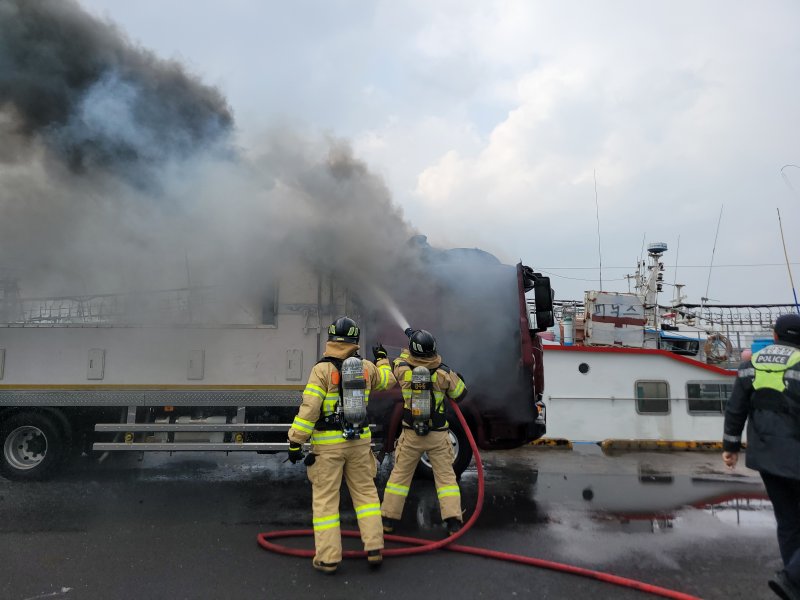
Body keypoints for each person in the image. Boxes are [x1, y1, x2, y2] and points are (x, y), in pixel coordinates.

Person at [287, 316, 397, 574]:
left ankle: (328, 558)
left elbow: (310, 409)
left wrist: (295, 441)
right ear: (355, 339)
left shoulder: (321, 370)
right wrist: (382, 359)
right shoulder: (366, 367)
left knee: (326, 500)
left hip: (328, 447)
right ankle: (374, 548)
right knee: (366, 496)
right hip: (359, 443)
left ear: (331, 337)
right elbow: (388, 380)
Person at [722, 313, 800, 599]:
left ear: (775, 336)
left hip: (766, 458)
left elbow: (736, 410)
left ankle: (794, 584)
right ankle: (791, 578)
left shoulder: (749, 365)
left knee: (788, 522)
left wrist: (730, 448)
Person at [381, 328, 467, 535]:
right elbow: (460, 394)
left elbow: (400, 360)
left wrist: (408, 345)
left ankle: (387, 520)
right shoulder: (444, 373)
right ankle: (453, 522)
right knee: (446, 479)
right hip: (437, 435)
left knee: (399, 477)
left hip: (411, 435)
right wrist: (457, 379)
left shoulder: (403, 370)